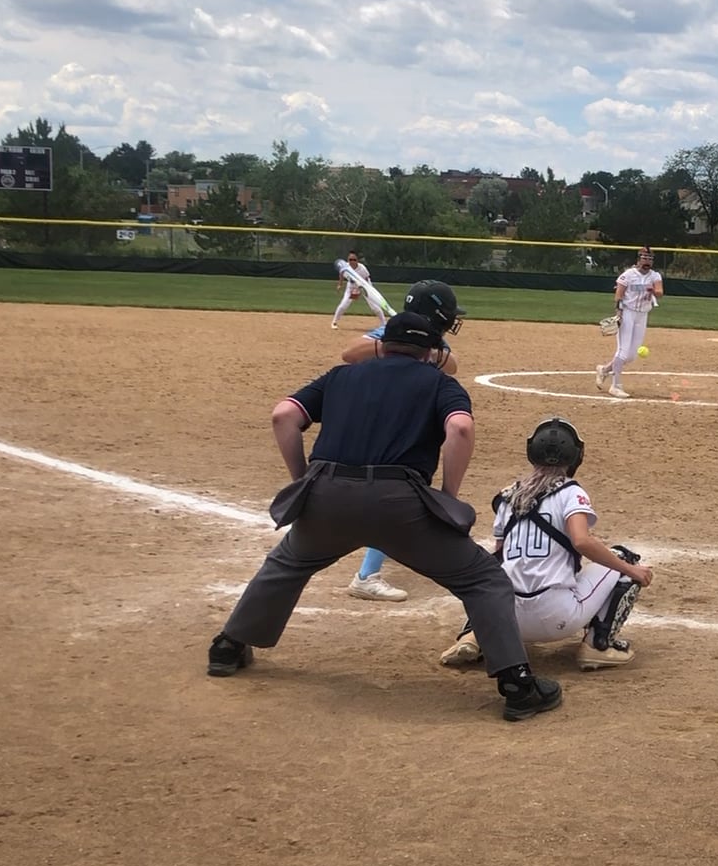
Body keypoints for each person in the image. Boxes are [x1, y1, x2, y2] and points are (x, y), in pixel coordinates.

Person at [207, 302, 562, 722]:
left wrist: (303, 481)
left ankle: (228, 646)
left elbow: (283, 415)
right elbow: (460, 428)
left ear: (383, 345)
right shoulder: (439, 383)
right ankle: (517, 684)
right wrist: (447, 495)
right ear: (430, 351)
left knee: (287, 565)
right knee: (484, 579)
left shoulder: (341, 376)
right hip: (400, 505)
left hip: (326, 494)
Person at [438, 417, 653, 672]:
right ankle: (598, 645)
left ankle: (475, 635)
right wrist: (630, 570)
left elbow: (500, 556)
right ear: (576, 456)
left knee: (489, 572)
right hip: (557, 616)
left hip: (507, 620)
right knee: (623, 559)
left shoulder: (508, 496)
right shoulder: (570, 492)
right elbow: (582, 541)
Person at [334, 281, 467, 602]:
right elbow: (350, 353)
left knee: (402, 489)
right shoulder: (388, 333)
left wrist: (425, 348)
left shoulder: (432, 341)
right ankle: (366, 576)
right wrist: (395, 346)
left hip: (402, 422)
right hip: (381, 423)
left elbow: (451, 364)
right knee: (395, 490)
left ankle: (394, 543)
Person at [595, 247, 663, 399]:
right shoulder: (628, 275)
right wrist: (619, 312)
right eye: (644, 258)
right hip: (628, 313)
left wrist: (653, 290)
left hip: (642, 315)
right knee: (623, 351)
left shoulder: (655, 276)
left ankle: (604, 370)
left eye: (650, 259)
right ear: (639, 259)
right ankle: (615, 386)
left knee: (631, 356)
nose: (647, 261)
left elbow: (660, 292)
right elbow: (619, 294)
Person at [331, 250, 386, 329]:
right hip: (351, 286)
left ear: (357, 260)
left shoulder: (362, 268)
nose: (352, 261)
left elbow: (366, 279)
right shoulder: (345, 267)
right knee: (343, 304)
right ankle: (334, 322)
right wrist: (340, 284)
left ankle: (384, 323)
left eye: (354, 260)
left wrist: (360, 290)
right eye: (350, 259)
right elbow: (341, 273)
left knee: (374, 307)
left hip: (366, 286)